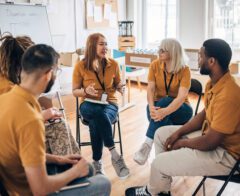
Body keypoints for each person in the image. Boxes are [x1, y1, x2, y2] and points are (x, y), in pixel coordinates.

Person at [125, 38, 240, 196]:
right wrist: (178, 133)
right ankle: (162, 188)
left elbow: (211, 142)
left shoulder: (229, 94)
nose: (198, 60)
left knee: (158, 163)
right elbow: (204, 115)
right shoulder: (214, 84)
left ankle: (152, 191)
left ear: (212, 61)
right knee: (160, 134)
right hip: (210, 138)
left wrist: (183, 143)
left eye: (200, 56)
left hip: (226, 155)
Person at [0, 44, 111, 196]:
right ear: (48, 74)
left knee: (89, 169)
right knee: (103, 183)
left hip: (15, 181)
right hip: (30, 190)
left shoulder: (6, 98)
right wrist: (74, 173)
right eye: (56, 71)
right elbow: (40, 189)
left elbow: (19, 152)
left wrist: (58, 159)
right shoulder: (31, 120)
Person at [0, 33, 79, 156]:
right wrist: (45, 114)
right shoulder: (7, 88)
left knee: (57, 123)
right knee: (59, 126)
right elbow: (14, 123)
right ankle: (72, 168)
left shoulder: (8, 79)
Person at [72, 33, 129, 179]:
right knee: (97, 113)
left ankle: (97, 163)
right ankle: (115, 154)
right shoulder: (80, 66)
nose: (105, 47)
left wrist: (121, 87)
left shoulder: (113, 64)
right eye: (101, 44)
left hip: (109, 104)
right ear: (92, 46)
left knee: (96, 120)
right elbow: (74, 91)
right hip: (88, 104)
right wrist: (85, 91)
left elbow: (117, 83)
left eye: (106, 44)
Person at [134, 38, 193, 165]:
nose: (158, 52)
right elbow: (150, 89)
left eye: (162, 50)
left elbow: (181, 97)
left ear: (172, 52)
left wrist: (164, 112)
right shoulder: (155, 65)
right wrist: (151, 106)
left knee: (165, 101)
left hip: (182, 109)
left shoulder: (185, 70)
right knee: (152, 113)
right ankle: (163, 159)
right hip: (160, 109)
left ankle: (147, 145)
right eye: (159, 49)